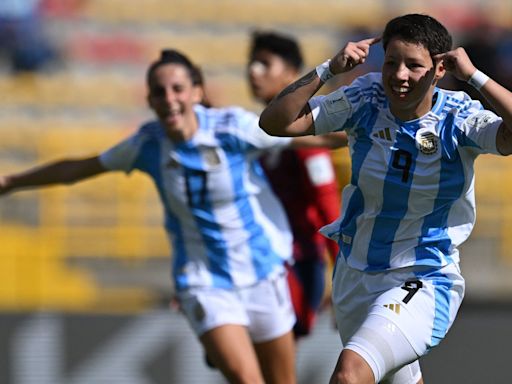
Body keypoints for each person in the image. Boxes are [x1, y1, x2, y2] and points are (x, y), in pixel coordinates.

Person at [0, 48, 347, 384]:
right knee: (246, 379)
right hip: (204, 283)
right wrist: (12, 181)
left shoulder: (232, 128)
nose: (169, 98)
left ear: (197, 92)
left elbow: (315, 141)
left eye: (177, 89)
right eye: (159, 92)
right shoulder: (146, 145)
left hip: (262, 272)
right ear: (150, 101)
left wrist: (370, 131)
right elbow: (79, 168)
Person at [259, 13, 512, 384]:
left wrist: (474, 76)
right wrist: (328, 69)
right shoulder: (366, 98)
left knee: (349, 374)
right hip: (355, 272)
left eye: (414, 65)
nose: (400, 75)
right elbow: (276, 123)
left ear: (439, 69)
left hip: (423, 275)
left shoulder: (458, 117)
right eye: (392, 62)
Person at [247, 30, 341, 337]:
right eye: (251, 63)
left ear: (290, 73)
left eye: (264, 64)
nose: (253, 71)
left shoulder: (306, 140)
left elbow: (327, 206)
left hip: (296, 262)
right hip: (259, 259)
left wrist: (343, 280)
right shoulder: (249, 131)